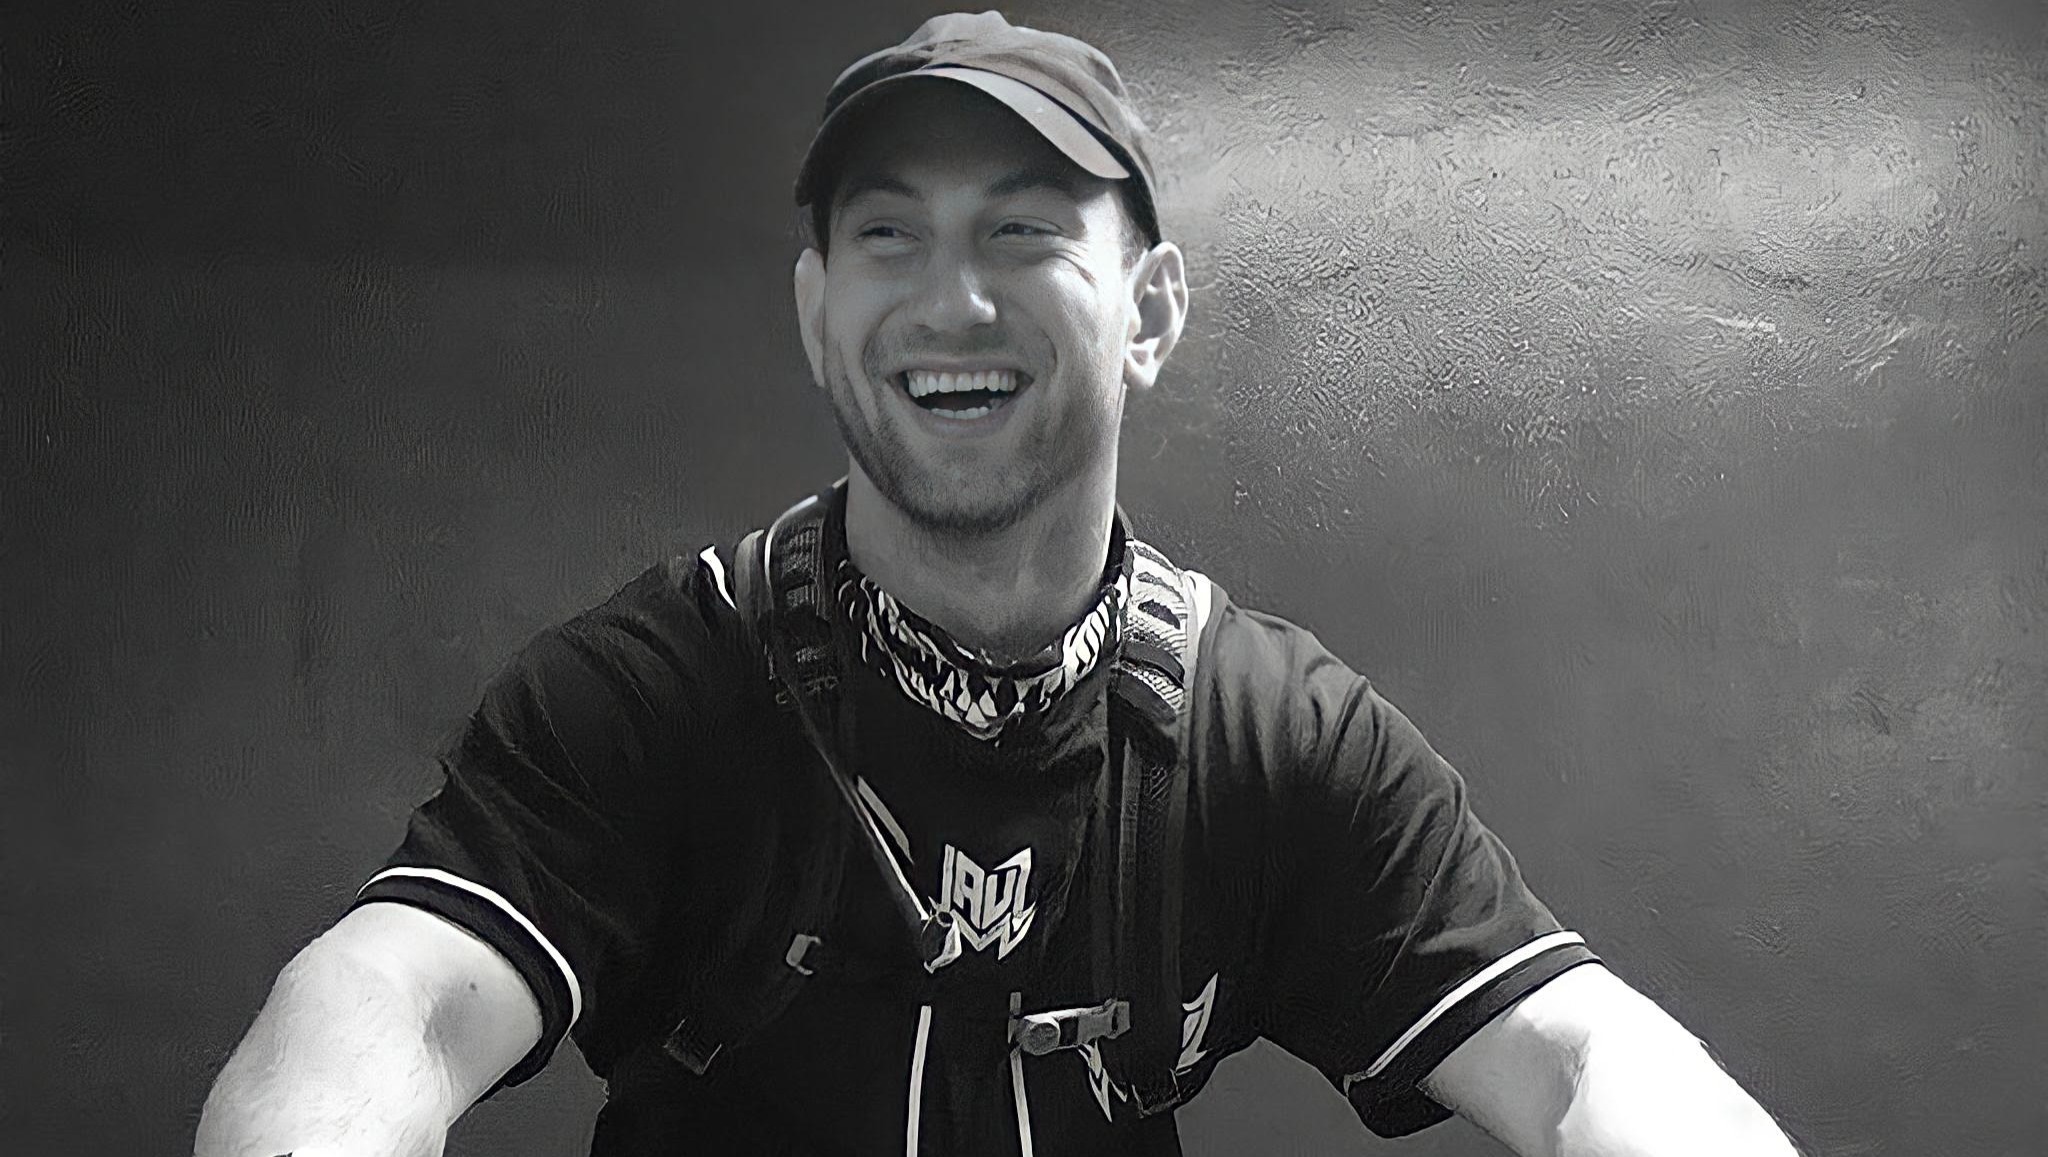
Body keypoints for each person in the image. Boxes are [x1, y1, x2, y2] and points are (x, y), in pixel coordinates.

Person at [196, 12, 1803, 1157]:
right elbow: (396, 1000)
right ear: (819, 312)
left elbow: (1574, 1049)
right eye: (889, 238)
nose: (949, 299)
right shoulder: (650, 691)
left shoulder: (1269, 736)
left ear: (1149, 309)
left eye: (1023, 231)